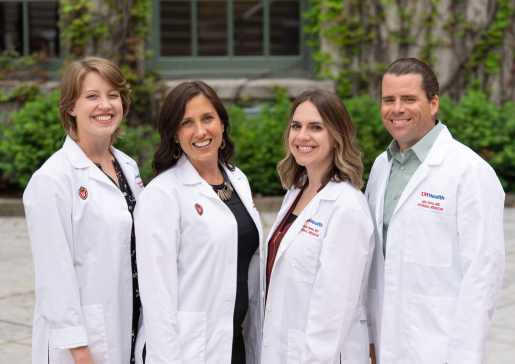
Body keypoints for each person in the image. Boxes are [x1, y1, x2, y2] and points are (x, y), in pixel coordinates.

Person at [366, 58, 505, 364]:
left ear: (433, 104)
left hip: (438, 347)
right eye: (389, 99)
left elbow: (483, 273)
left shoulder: (469, 172)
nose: (396, 109)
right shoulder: (380, 167)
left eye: (409, 99)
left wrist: (463, 356)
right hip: (383, 341)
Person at [23, 57, 146, 363]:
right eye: (92, 96)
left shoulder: (127, 166)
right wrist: (80, 353)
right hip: (85, 344)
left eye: (113, 95)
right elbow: (55, 279)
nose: (105, 105)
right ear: (71, 108)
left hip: (131, 324)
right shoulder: (52, 180)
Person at [135, 80, 263, 364]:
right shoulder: (162, 194)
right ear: (174, 135)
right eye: (186, 123)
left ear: (222, 123)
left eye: (208, 118)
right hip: (188, 349)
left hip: (235, 341)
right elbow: (156, 295)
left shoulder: (237, 178)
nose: (201, 131)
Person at [261, 89, 375, 363]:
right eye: (296, 126)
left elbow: (333, 311)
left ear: (336, 136)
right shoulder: (296, 192)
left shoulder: (346, 207)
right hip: (282, 348)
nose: (302, 136)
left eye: (316, 127)